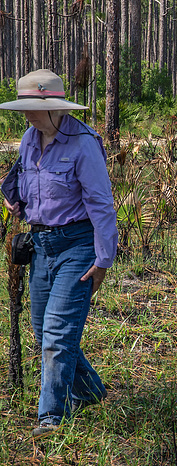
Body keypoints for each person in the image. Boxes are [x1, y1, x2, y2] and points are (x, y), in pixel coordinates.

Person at [0, 69, 118, 438]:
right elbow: (26, 185)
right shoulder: (29, 139)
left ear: (55, 108)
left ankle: (52, 417)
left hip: (78, 246)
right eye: (24, 108)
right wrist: (15, 199)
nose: (27, 114)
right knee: (44, 333)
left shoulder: (84, 143)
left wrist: (103, 260)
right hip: (42, 247)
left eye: (33, 108)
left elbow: (101, 205)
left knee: (56, 335)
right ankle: (92, 392)